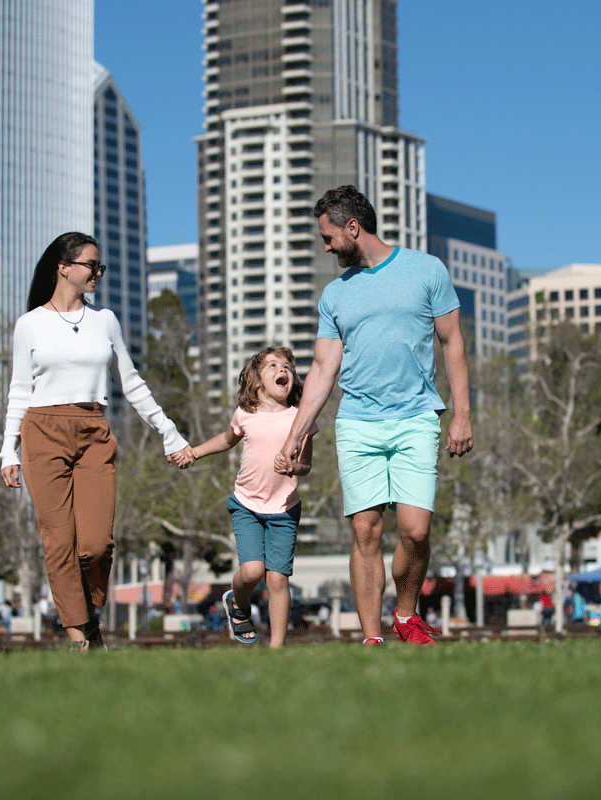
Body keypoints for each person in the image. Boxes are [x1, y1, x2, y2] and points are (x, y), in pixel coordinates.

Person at [277, 186, 472, 646]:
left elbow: (453, 344)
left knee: (415, 530)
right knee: (365, 531)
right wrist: (295, 434)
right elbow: (324, 369)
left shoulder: (426, 270)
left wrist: (462, 415)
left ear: (352, 227)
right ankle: (371, 638)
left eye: (328, 238)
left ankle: (406, 614)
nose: (326, 247)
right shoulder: (334, 296)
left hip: (417, 418)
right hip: (358, 423)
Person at [0, 232, 190, 652]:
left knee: (96, 543)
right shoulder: (29, 324)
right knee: (59, 541)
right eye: (92, 265)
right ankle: (81, 638)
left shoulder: (105, 320)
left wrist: (168, 430)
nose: (98, 273)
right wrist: (7, 449)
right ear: (64, 267)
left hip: (92, 430)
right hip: (42, 430)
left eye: (99, 266)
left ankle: (87, 615)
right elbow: (19, 390)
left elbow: (132, 382)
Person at [175, 346, 316, 649]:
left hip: (285, 509)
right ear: (257, 380)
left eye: (288, 367)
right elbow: (227, 439)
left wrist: (295, 466)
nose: (283, 371)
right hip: (247, 505)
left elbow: (306, 465)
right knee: (252, 571)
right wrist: (194, 452)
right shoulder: (246, 413)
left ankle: (276, 649)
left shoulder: (301, 417)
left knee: (277, 580)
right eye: (273, 366)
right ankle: (237, 602)